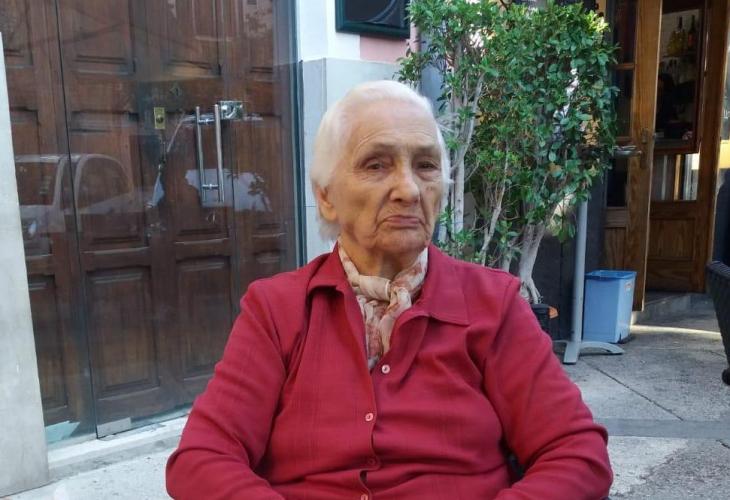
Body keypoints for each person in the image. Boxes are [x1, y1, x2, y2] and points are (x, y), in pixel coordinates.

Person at [166, 80, 612, 499]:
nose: (409, 189)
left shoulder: (492, 306)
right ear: (326, 197)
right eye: (376, 165)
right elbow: (203, 457)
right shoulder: (277, 310)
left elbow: (576, 454)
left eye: (425, 165)